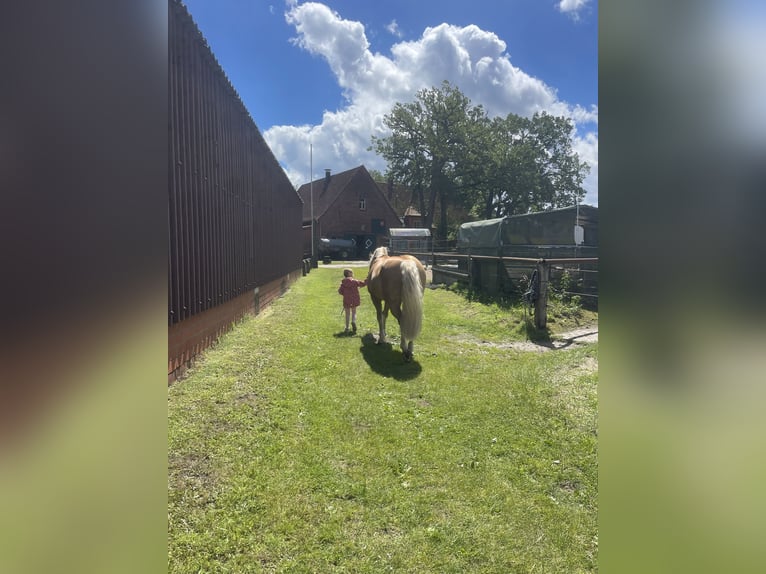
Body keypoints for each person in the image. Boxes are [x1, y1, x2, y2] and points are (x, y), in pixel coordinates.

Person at [337, 268, 367, 334]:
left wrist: (345, 294)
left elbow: (340, 291)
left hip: (346, 299)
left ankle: (347, 328)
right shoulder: (355, 281)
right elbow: (363, 284)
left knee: (347, 314)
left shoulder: (343, 283)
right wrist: (367, 279)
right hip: (355, 299)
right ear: (349, 274)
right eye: (352, 272)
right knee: (354, 312)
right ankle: (353, 321)